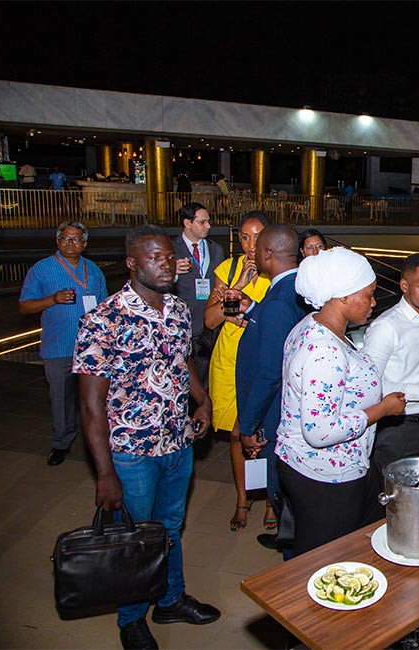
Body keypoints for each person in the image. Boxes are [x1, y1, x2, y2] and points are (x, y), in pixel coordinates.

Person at [74, 225, 219, 650]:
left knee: (169, 527)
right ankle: (131, 619)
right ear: (131, 264)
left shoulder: (177, 309)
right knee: (135, 538)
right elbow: (90, 407)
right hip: (132, 451)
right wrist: (105, 474)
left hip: (178, 442)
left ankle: (170, 600)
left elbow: (183, 361)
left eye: (168, 256)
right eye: (154, 257)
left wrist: (203, 400)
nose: (166, 264)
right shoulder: (104, 319)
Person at [275, 247, 407, 556]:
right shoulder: (325, 351)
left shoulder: (314, 323)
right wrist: (382, 410)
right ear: (344, 296)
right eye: (369, 294)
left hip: (316, 465)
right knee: (324, 558)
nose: (373, 302)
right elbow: (320, 432)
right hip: (323, 474)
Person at [235, 226, 309, 549]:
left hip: (273, 412)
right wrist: (253, 310)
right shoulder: (292, 288)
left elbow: (270, 372)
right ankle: (287, 536)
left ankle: (290, 550)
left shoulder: (280, 299)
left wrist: (249, 424)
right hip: (284, 407)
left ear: (267, 255)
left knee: (280, 487)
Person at [19, 221, 108, 466]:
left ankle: (98, 442)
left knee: (95, 399)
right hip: (58, 346)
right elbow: (24, 306)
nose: (71, 243)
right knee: (61, 398)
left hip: (91, 349)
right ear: (57, 241)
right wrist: (53, 299)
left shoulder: (93, 269)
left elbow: (104, 306)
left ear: (84, 244)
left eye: (76, 239)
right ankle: (61, 442)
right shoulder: (41, 269)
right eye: (66, 238)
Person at [204, 210, 272, 531]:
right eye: (245, 237)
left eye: (257, 237)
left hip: (262, 359)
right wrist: (239, 284)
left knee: (267, 433)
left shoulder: (277, 270)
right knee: (236, 433)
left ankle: (271, 500)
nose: (250, 244)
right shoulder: (228, 269)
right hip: (229, 358)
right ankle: (243, 499)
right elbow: (210, 320)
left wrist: (245, 315)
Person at [362, 254, 419, 491]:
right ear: (404, 286)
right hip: (398, 427)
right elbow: (368, 384)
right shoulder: (386, 327)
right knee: (391, 496)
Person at [171, 202, 225, 386]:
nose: (208, 226)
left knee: (205, 374)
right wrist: (172, 273)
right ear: (187, 223)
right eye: (202, 222)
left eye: (208, 221)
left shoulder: (216, 249)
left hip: (208, 322)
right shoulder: (171, 249)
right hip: (183, 321)